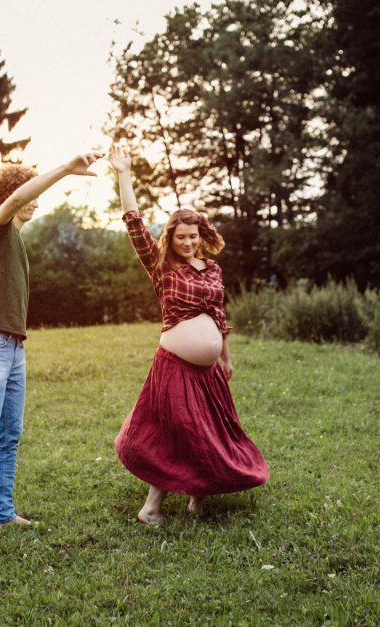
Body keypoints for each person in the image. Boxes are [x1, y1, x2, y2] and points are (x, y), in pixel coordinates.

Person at [108, 144, 269, 524]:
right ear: (171, 237)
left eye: (193, 236)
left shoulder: (212, 268)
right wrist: (124, 173)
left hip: (209, 368)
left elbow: (218, 312)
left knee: (207, 431)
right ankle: (151, 509)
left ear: (201, 235)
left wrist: (225, 355)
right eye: (181, 236)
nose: (188, 242)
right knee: (173, 432)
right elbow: (133, 222)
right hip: (175, 365)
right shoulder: (162, 266)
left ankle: (198, 498)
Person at [0, 152, 103, 545]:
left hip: (13, 346)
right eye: (30, 192)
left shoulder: (15, 238)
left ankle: (2, 513)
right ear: (13, 195)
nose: (38, 200)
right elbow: (16, 201)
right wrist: (67, 169)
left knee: (9, 434)